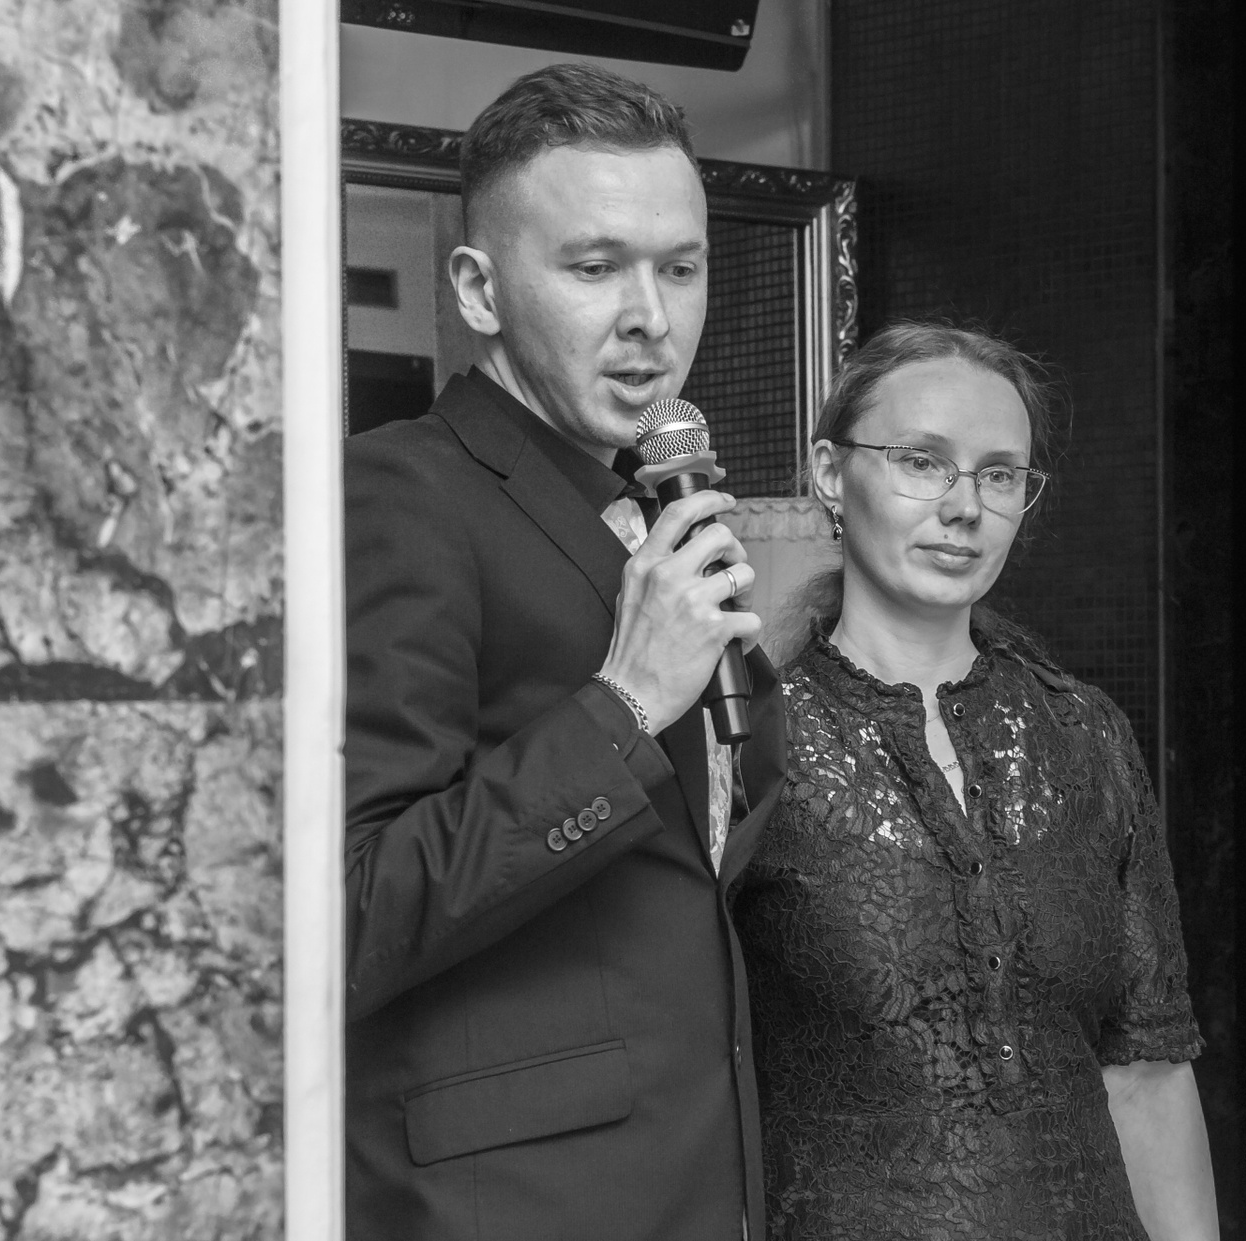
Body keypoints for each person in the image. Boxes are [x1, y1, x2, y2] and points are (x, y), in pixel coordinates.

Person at [343, 63, 787, 1240]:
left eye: (680, 267)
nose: (651, 315)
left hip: (694, 1178)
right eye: (595, 268)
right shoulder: (397, 493)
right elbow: (348, 913)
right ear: (479, 290)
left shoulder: (650, 503)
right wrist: (625, 700)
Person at [733, 323, 1219, 1239]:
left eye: (1000, 475)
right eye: (923, 461)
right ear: (831, 473)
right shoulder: (750, 741)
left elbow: (1148, 1073)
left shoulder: (1086, 737)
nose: (964, 507)